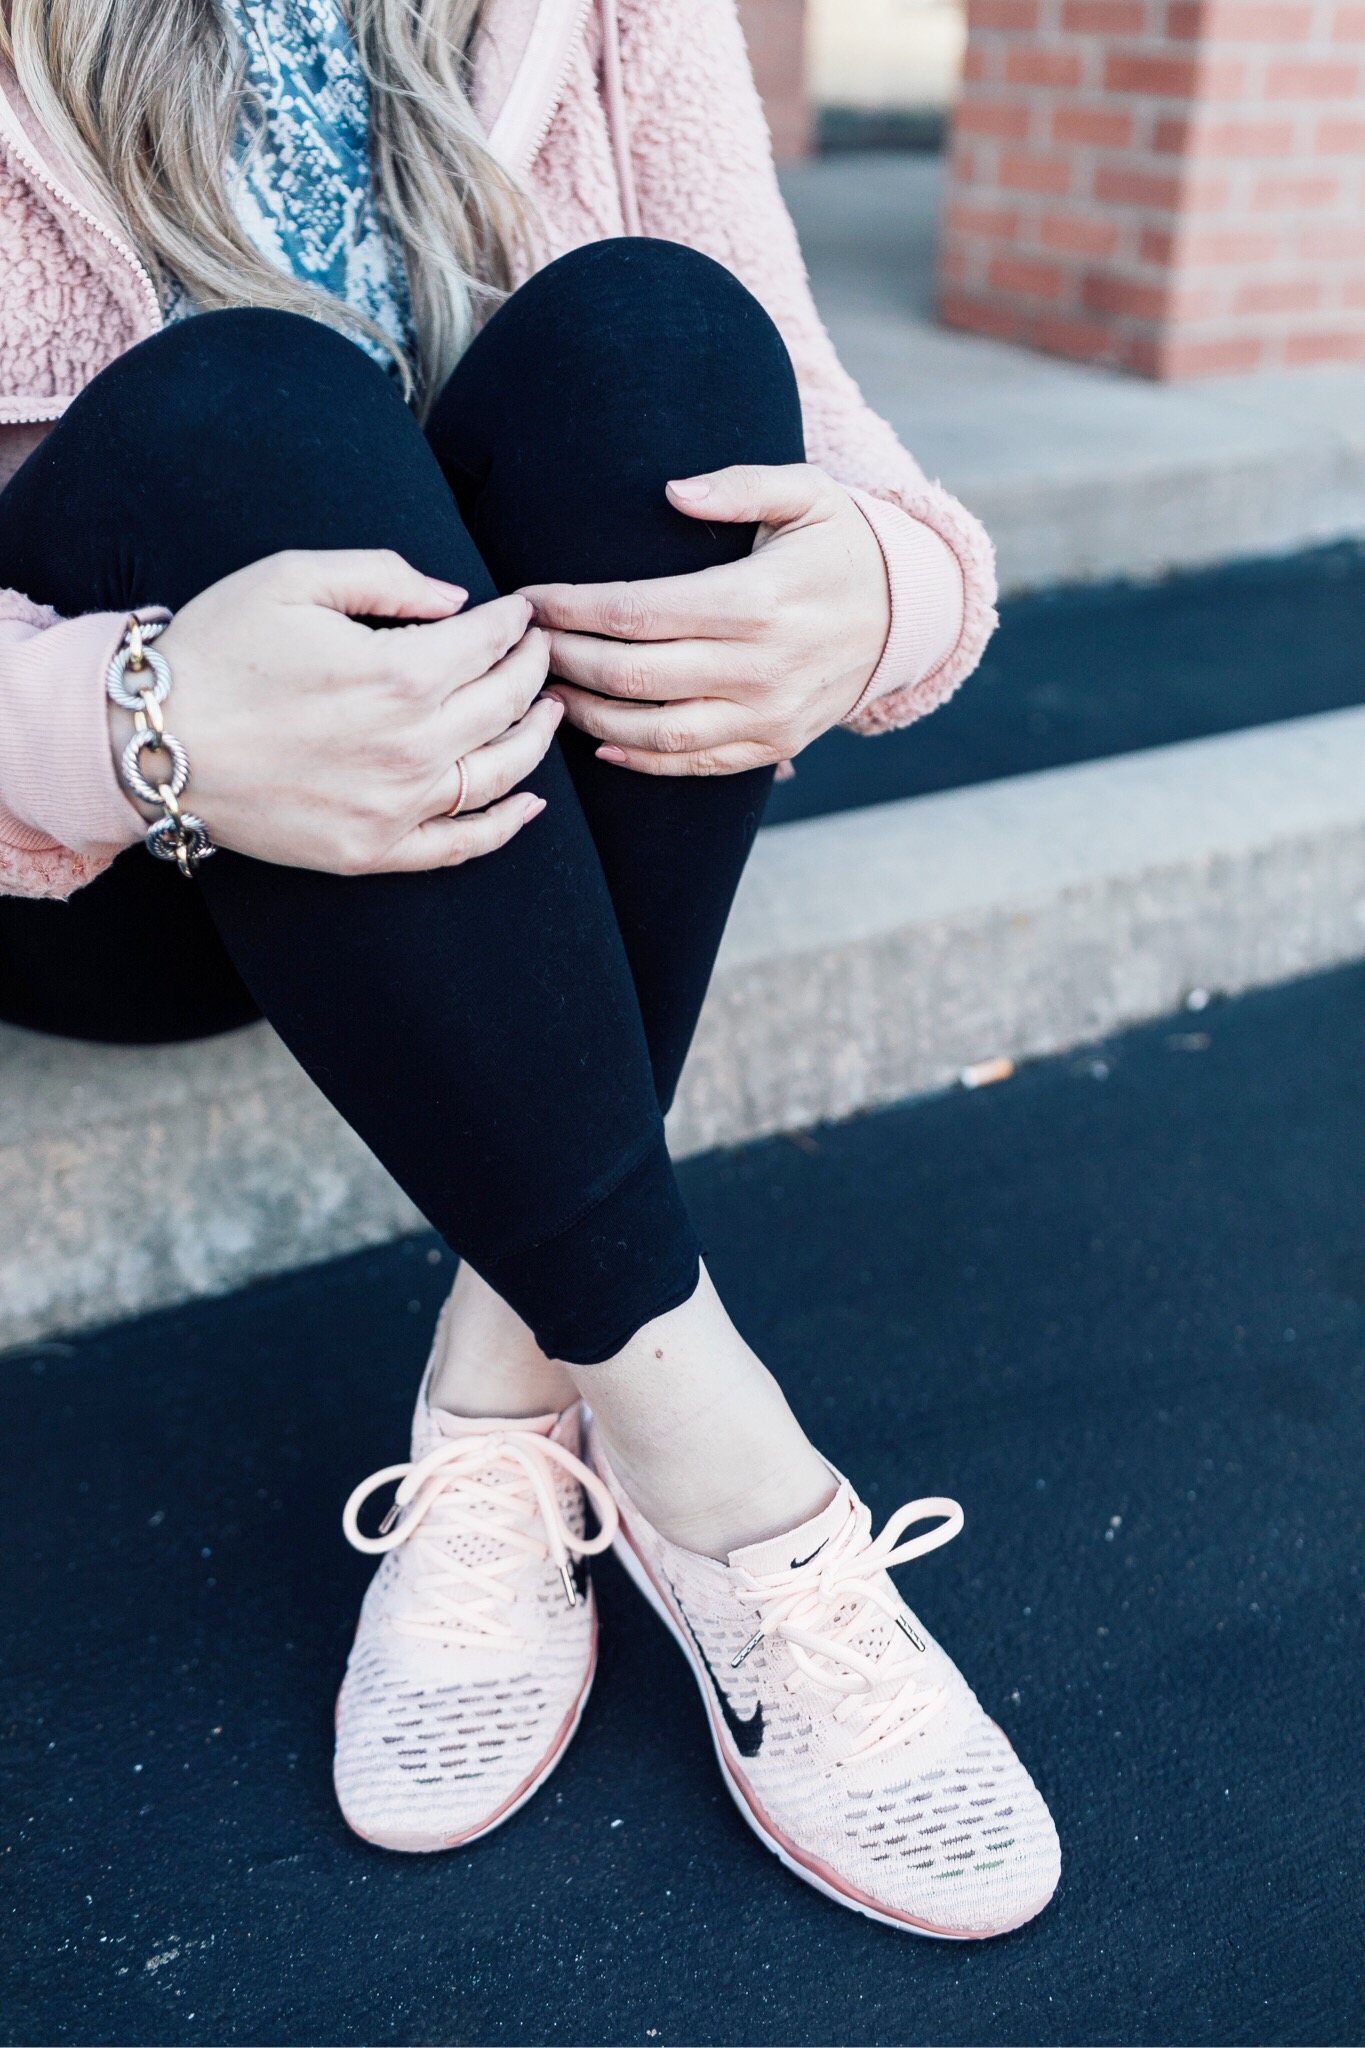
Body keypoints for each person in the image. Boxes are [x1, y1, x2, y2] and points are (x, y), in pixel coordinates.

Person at [0, 0, 1059, 1939]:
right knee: (237, 406)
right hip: (109, 840)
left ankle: (506, 1396)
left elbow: (851, 461)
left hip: (465, 836)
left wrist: (870, 591)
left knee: (655, 344)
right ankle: (720, 1463)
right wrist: (115, 714)